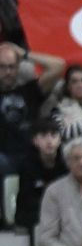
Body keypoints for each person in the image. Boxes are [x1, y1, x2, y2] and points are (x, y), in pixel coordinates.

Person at [0, 41, 64, 175]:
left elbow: (58, 66)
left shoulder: (29, 91)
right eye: (3, 67)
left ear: (18, 68)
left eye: (12, 67)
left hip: (31, 156)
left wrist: (24, 54)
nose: (8, 72)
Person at [14, 118, 65, 231]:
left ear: (60, 139)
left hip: (61, 212)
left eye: (53, 135)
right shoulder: (26, 165)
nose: (49, 140)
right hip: (34, 214)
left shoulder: (66, 164)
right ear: (35, 140)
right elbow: (27, 200)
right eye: (43, 135)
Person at [54, 64, 82, 140]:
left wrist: (73, 128)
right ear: (68, 86)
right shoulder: (58, 109)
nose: (80, 85)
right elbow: (61, 134)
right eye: (74, 82)